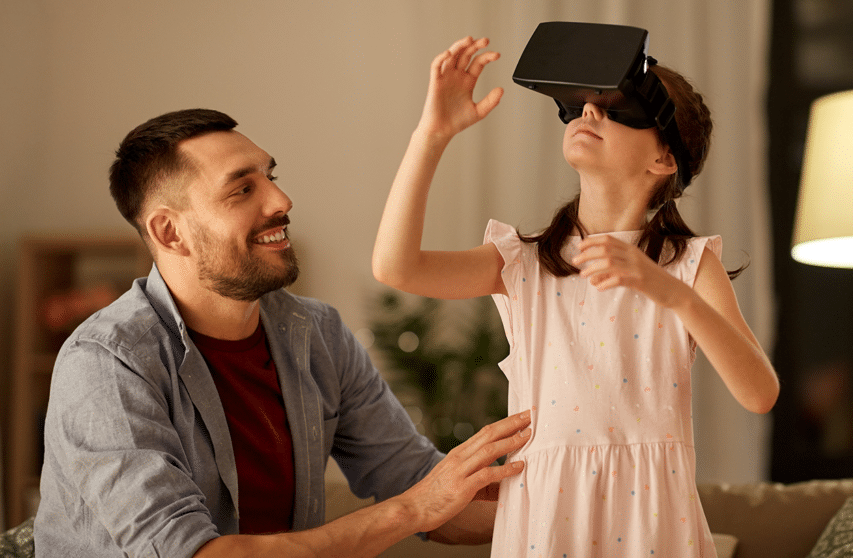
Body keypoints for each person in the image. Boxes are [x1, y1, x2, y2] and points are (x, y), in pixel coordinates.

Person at [33, 108, 532, 558]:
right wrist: (413, 510)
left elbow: (429, 490)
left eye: (270, 177)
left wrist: (575, 493)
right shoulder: (105, 364)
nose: (281, 199)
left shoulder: (318, 335)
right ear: (170, 232)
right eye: (242, 189)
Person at [373, 35, 780, 556]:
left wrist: (666, 290)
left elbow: (759, 394)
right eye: (581, 103)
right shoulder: (522, 263)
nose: (588, 110)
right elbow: (395, 267)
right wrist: (431, 136)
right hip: (545, 514)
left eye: (617, 108)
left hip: (652, 518)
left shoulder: (688, 268)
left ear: (664, 158)